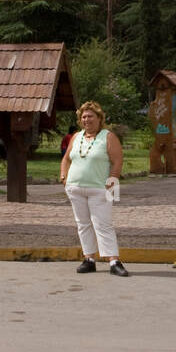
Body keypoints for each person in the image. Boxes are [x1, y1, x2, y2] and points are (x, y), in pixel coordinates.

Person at [60, 100, 129, 276]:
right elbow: (67, 158)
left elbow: (117, 160)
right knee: (83, 224)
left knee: (103, 224)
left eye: (90, 116)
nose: (87, 120)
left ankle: (114, 261)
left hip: (100, 188)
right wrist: (64, 175)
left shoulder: (108, 136)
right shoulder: (76, 136)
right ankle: (89, 258)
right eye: (83, 116)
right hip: (75, 188)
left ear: (99, 118)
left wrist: (112, 181)